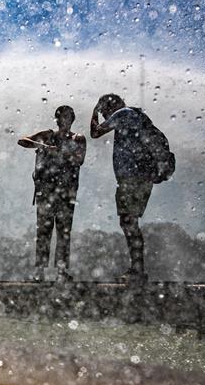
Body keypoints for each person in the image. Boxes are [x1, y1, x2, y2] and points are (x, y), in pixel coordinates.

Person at [90, 93, 155, 285]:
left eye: (103, 112)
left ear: (110, 106)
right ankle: (137, 268)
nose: (103, 116)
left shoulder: (123, 113)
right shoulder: (130, 115)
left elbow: (95, 133)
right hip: (136, 178)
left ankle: (137, 270)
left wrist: (93, 112)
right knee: (129, 222)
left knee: (128, 222)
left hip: (133, 179)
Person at [18, 105, 86, 282]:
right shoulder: (48, 135)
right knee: (43, 232)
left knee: (64, 232)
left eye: (68, 117)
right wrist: (44, 145)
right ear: (56, 120)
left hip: (67, 192)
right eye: (62, 118)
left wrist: (61, 152)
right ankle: (39, 271)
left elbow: (79, 160)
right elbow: (23, 141)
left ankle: (61, 272)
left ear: (72, 120)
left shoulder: (78, 138)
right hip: (46, 191)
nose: (65, 121)